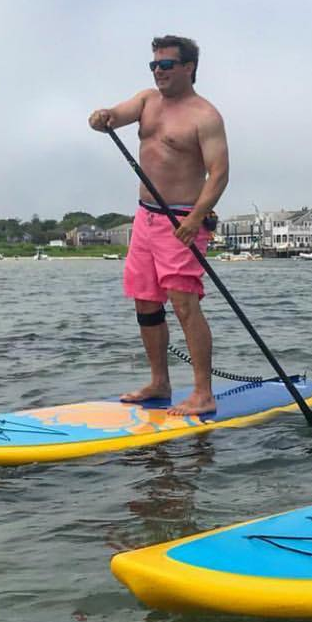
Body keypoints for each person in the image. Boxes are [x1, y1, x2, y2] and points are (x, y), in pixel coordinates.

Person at [89, 35, 229, 416]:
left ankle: (203, 393)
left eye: (166, 64)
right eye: (154, 65)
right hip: (145, 218)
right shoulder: (147, 101)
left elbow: (218, 175)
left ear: (188, 68)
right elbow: (113, 117)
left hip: (182, 219)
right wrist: (102, 118)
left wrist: (197, 218)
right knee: (146, 303)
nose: (158, 72)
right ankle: (159, 381)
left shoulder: (205, 116)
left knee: (184, 305)